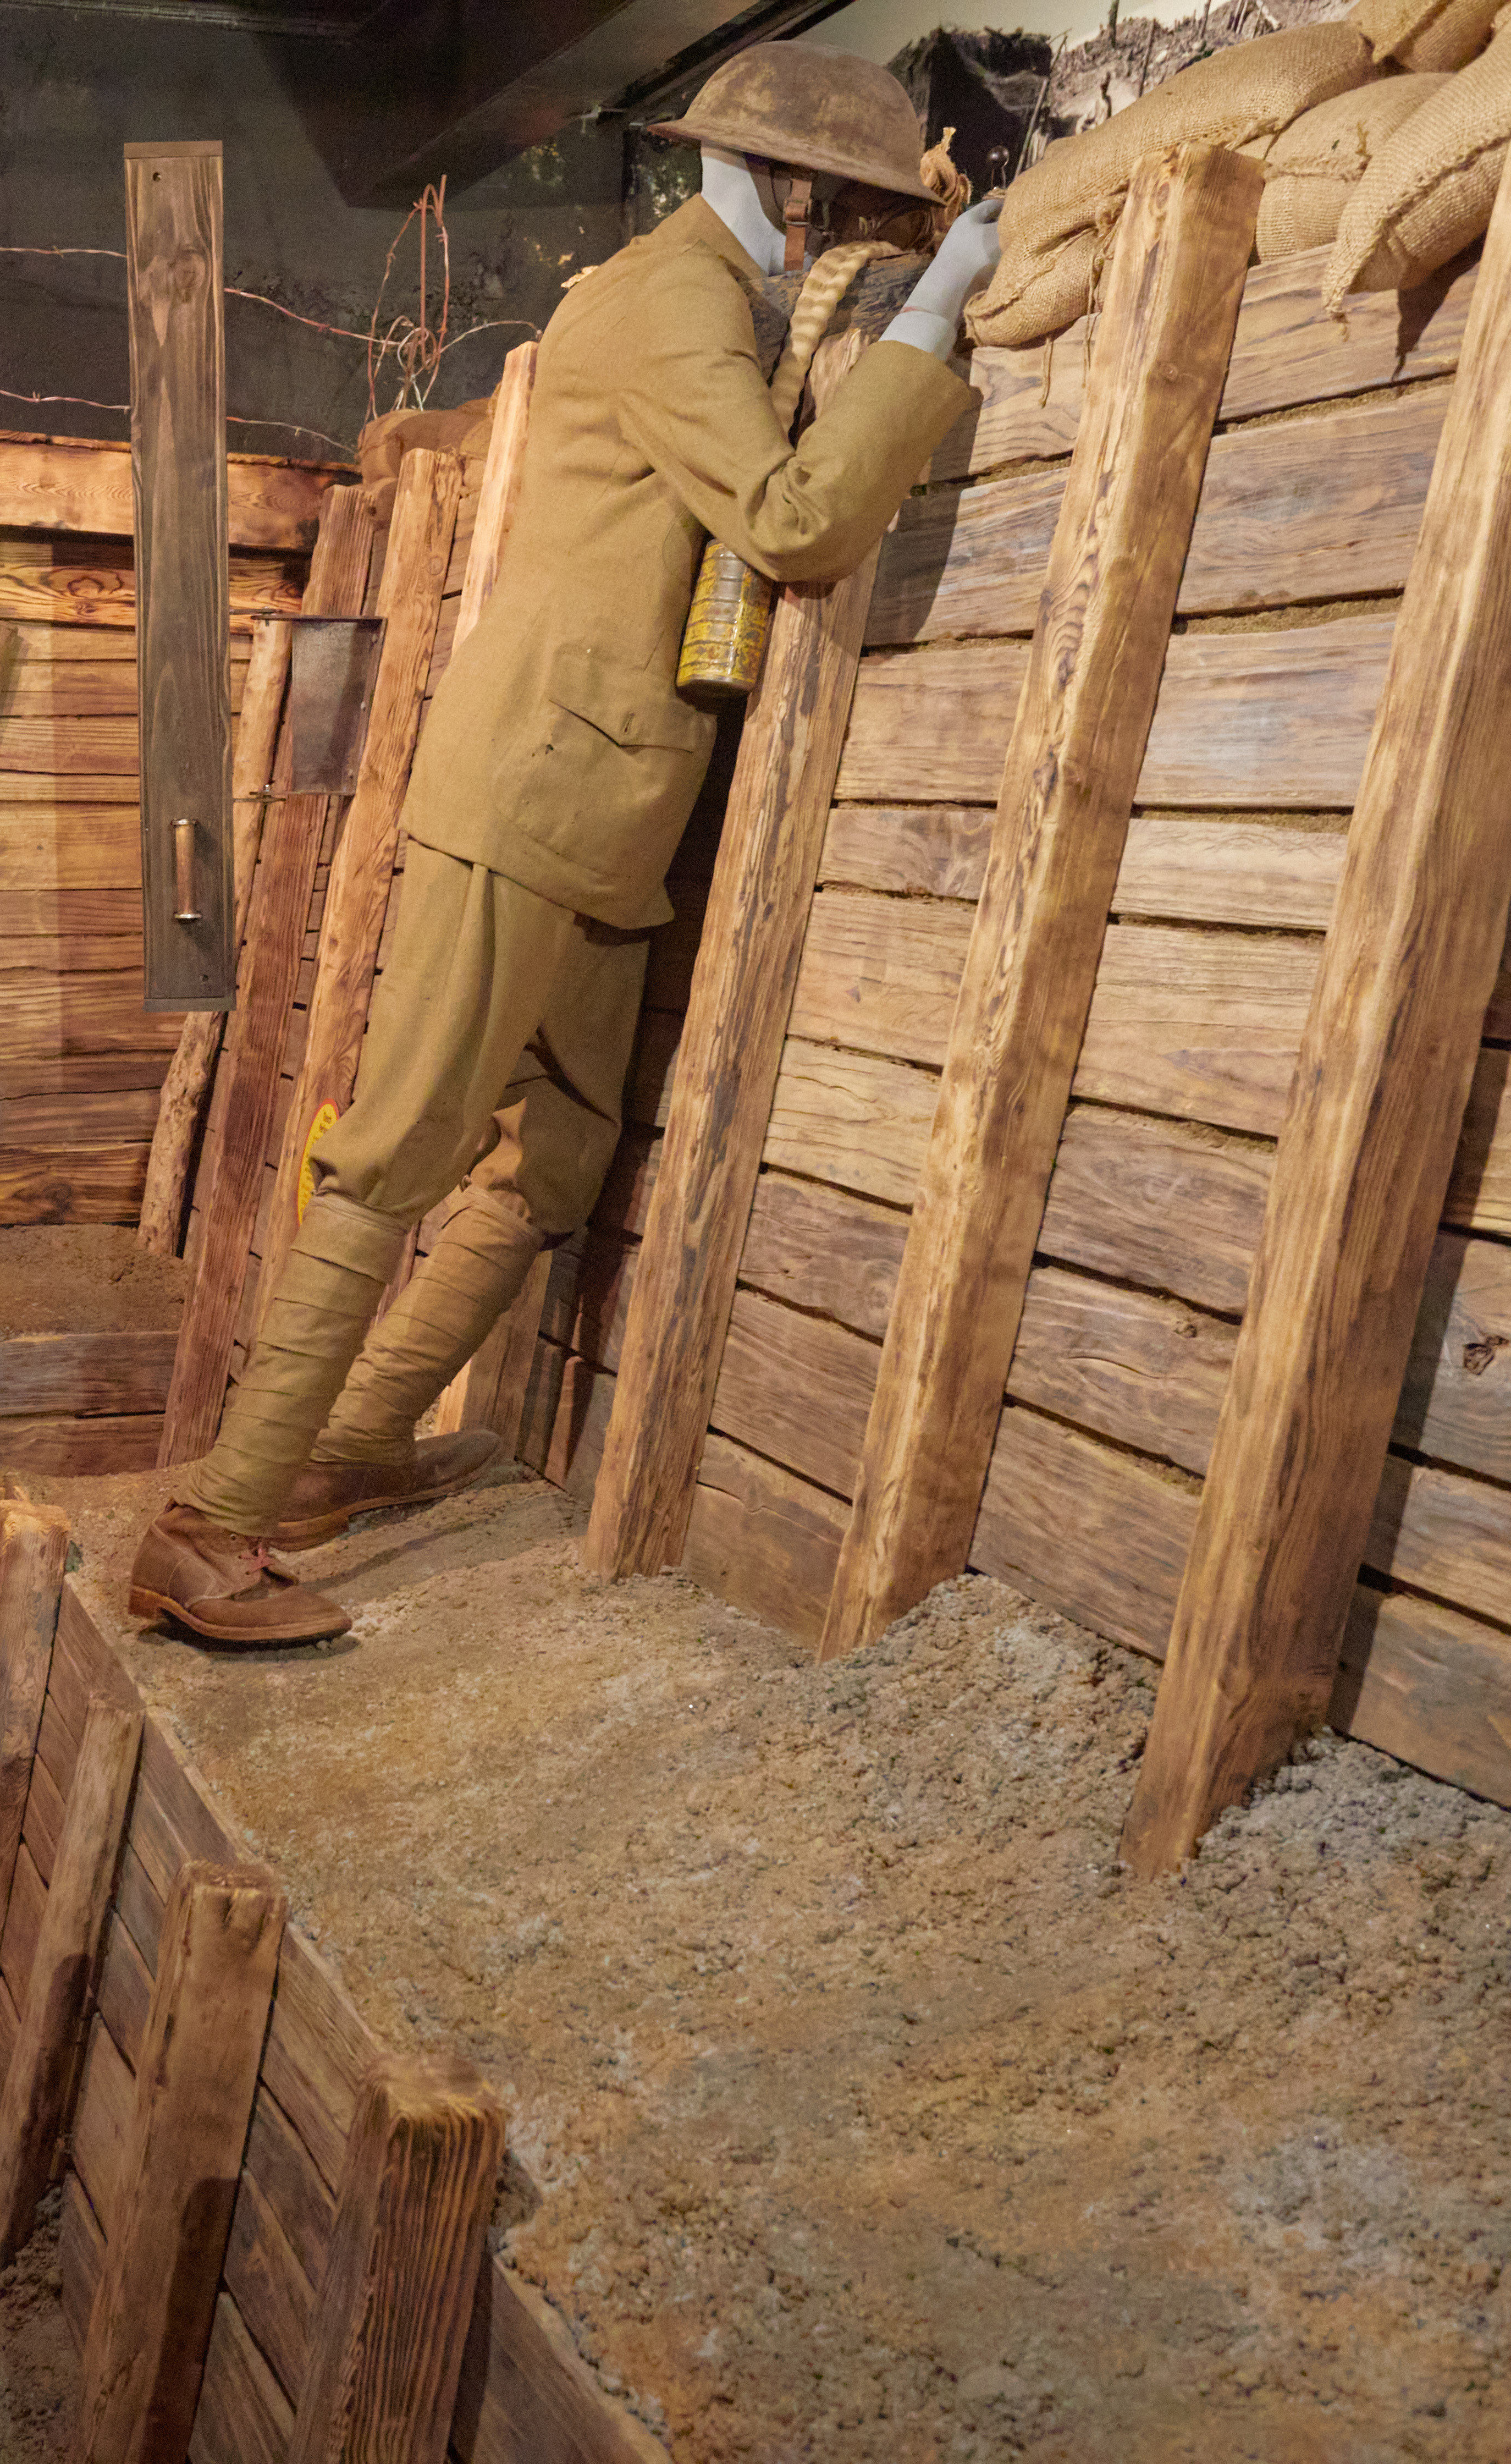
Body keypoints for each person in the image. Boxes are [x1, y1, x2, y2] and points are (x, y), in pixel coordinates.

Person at [125, 38, 1007, 1646]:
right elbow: (795, 520)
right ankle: (214, 1526)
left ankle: (354, 1443)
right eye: (859, 211)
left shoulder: (700, 302)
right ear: (797, 189)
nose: (865, 240)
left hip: (606, 802)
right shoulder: (671, 302)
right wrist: (936, 310)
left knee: (559, 1157)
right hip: (539, 787)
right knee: (400, 1145)